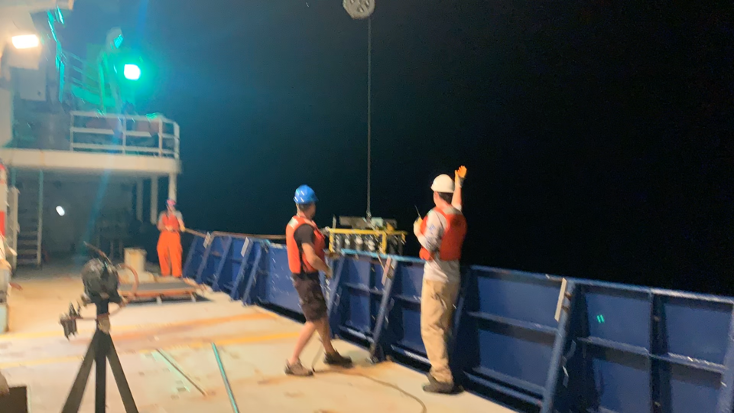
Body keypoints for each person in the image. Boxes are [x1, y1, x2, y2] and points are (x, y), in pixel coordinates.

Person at [284, 185, 353, 376]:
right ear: (311, 205)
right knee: (314, 320)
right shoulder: (305, 229)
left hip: (304, 277)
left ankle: (330, 353)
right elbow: (311, 257)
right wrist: (327, 269)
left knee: (321, 316)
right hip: (307, 280)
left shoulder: (295, 223)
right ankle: (293, 361)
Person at [414, 166, 467, 394]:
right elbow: (457, 204)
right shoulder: (456, 214)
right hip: (453, 279)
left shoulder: (435, 216)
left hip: (435, 279)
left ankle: (442, 376)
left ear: (436, 195)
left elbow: (429, 244)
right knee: (443, 326)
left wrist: (417, 230)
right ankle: (444, 368)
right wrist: (459, 185)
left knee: (430, 327)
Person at [157, 199, 185, 277]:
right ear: (167, 206)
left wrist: (177, 228)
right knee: (161, 251)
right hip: (164, 234)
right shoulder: (162, 214)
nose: (170, 207)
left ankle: (177, 274)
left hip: (174, 235)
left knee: (175, 253)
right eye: (169, 206)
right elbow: (159, 226)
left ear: (174, 207)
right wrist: (166, 227)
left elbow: (181, 226)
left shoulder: (178, 214)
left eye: (172, 206)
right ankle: (165, 272)